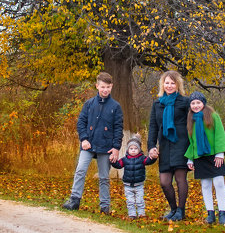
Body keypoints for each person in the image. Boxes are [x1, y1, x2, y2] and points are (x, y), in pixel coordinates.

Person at [62, 72, 123, 214]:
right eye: (102, 87)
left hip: (106, 147)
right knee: (80, 171)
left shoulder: (116, 106)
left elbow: (118, 128)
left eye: (108, 87)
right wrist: (83, 139)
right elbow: (81, 122)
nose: (105, 90)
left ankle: (105, 206)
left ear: (112, 87)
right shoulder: (89, 104)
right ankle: (74, 200)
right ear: (97, 86)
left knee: (104, 177)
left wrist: (116, 148)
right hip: (88, 145)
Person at [147, 70, 190, 221]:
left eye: (173, 83)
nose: (169, 86)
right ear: (162, 84)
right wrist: (151, 146)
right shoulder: (157, 104)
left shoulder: (185, 102)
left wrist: (193, 149)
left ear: (178, 85)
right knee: (165, 182)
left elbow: (192, 124)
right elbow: (153, 126)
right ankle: (173, 209)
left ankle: (181, 211)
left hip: (181, 144)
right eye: (167, 83)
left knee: (180, 179)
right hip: (164, 145)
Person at [185, 91, 225, 224]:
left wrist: (220, 153)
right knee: (205, 184)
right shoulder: (191, 120)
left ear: (203, 103)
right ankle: (210, 213)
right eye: (193, 103)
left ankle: (222, 213)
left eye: (198, 102)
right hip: (200, 156)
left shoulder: (213, 116)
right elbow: (191, 141)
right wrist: (190, 158)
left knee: (219, 183)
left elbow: (219, 134)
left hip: (214, 156)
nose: (196, 105)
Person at [112, 133, 158, 218]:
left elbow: (149, 161)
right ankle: (132, 214)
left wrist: (153, 158)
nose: (133, 150)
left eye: (135, 148)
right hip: (128, 185)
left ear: (139, 149)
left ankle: (141, 214)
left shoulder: (142, 158)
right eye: (131, 148)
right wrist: (113, 161)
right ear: (128, 150)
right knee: (130, 201)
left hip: (139, 184)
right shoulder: (125, 159)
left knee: (140, 200)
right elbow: (118, 165)